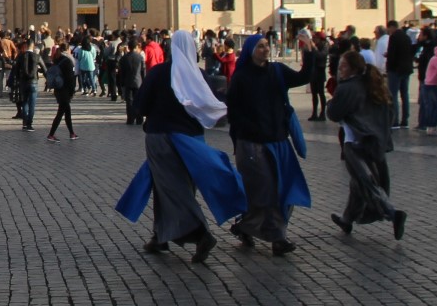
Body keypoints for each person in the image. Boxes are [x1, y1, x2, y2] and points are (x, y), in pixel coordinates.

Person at [118, 30, 244, 262]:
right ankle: (161, 236)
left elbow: (141, 106)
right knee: (179, 187)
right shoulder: (199, 76)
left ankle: (200, 233)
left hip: (162, 138)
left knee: (169, 188)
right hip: (193, 141)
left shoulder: (159, 73)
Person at [224, 34, 313, 255]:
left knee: (285, 189)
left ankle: (247, 226)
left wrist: (309, 51)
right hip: (253, 144)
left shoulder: (277, 71)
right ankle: (277, 238)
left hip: (278, 141)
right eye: (260, 46)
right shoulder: (241, 77)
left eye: (266, 46)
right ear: (251, 51)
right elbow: (233, 111)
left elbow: (304, 76)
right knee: (266, 191)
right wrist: (249, 130)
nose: (265, 49)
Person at [327, 48, 405, 239]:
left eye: (343, 67)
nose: (340, 70)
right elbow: (389, 111)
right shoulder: (374, 84)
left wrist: (332, 104)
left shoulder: (348, 88)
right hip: (373, 140)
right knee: (358, 182)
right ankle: (347, 219)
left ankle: (392, 213)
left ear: (353, 68)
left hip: (355, 141)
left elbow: (333, 113)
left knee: (365, 181)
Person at [45, 45, 78, 141]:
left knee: (67, 112)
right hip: (65, 91)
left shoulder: (57, 60)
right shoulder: (67, 62)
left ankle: (72, 133)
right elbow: (70, 79)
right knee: (60, 113)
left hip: (58, 90)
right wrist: (72, 92)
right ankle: (51, 134)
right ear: (67, 50)